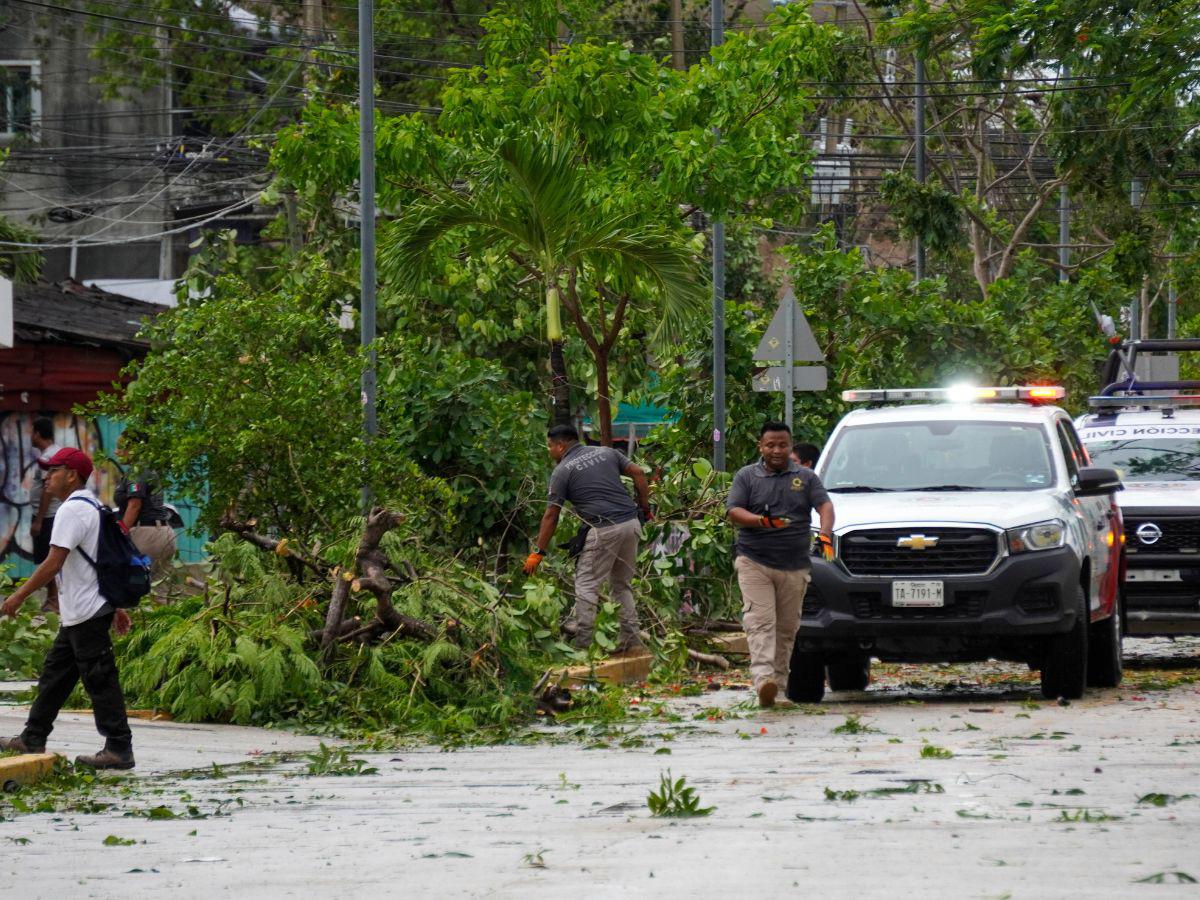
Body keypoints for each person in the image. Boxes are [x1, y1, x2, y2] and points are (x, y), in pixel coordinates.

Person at [0, 448, 136, 769]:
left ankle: (119, 748)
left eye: (54, 470)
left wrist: (18, 596)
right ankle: (32, 736)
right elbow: (104, 560)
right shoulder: (95, 506)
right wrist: (115, 605)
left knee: (100, 680)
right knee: (55, 676)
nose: (47, 476)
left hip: (86, 612)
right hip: (82, 611)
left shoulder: (71, 510)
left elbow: (53, 563)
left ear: (71, 475)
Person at [728, 421, 835, 708]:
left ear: (790, 446)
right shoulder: (746, 477)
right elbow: (734, 511)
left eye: (783, 445)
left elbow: (824, 506)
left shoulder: (807, 478)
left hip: (795, 565)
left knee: (787, 628)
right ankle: (763, 680)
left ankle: (779, 687)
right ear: (760, 447)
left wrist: (825, 534)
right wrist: (762, 521)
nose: (777, 450)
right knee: (760, 622)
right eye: (770, 445)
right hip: (754, 561)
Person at [524, 425, 653, 652]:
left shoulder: (562, 470)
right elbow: (639, 473)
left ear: (560, 445)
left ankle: (583, 648)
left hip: (603, 529)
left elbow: (551, 515)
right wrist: (645, 509)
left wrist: (538, 552)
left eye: (549, 446)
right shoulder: (607, 452)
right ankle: (632, 643)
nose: (549, 451)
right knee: (621, 585)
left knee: (586, 585)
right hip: (630, 524)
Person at [114, 432, 177, 586]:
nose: (116, 452)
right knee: (158, 591)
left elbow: (134, 505)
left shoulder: (137, 471)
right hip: (163, 532)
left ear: (134, 449)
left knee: (135, 587)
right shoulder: (147, 469)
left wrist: (120, 532)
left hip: (146, 535)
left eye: (121, 447)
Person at [29, 418, 62, 613]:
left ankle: (54, 600)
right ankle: (52, 599)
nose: (30, 436)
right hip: (48, 515)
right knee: (46, 557)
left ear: (39, 434)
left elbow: (47, 490)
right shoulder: (52, 453)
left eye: (32, 432)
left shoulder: (49, 457)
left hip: (48, 516)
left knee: (47, 558)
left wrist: (39, 520)